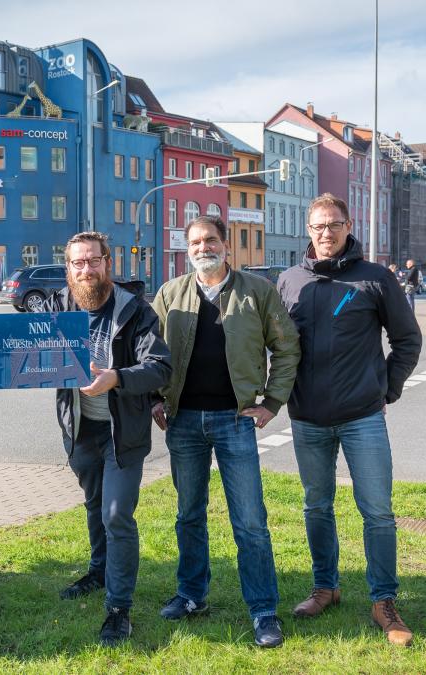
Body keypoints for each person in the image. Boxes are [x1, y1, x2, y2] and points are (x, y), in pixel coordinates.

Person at [0, 232, 172, 646]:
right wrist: (5, 343)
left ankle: (119, 608)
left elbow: (159, 368)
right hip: (80, 428)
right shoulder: (59, 306)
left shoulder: (136, 311)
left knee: (117, 512)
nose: (86, 270)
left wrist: (117, 378)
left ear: (108, 263)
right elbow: (31, 350)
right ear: (68, 269)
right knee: (94, 504)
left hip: (124, 431)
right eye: (77, 264)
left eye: (93, 261)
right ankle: (99, 570)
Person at [277, 193, 422, 647]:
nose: (326, 233)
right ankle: (326, 587)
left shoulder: (375, 279)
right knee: (316, 506)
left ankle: (384, 601)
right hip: (308, 419)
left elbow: (407, 341)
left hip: (362, 417)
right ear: (308, 230)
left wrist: (386, 390)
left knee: (377, 511)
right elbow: (276, 348)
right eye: (318, 226)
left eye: (334, 225)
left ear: (348, 226)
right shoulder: (288, 282)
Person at [150, 215, 300, 648]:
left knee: (250, 521)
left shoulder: (257, 292)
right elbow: (148, 351)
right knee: (189, 514)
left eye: (210, 240)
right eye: (194, 241)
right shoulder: (170, 293)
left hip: (235, 421)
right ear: (187, 248)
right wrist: (154, 399)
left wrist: (272, 401)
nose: (202, 248)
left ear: (226, 245)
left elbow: (286, 347)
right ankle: (191, 595)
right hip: (183, 421)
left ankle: (263, 610)